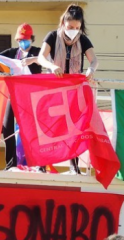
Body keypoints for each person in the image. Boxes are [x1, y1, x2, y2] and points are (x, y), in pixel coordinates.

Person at [38, 3, 99, 174]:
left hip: (73, 89)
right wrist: (51, 65)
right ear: (64, 22)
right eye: (71, 26)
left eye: (77, 27)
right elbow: (40, 58)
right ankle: (42, 163)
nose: (74, 30)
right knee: (49, 126)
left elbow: (94, 60)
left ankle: (74, 165)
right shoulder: (52, 36)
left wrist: (91, 70)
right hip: (52, 88)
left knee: (73, 127)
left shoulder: (83, 39)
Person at [0, 23, 42, 170]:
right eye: (20, 40)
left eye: (26, 39)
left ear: (31, 39)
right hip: (14, 93)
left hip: (32, 95)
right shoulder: (13, 52)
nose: (22, 42)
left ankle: (39, 164)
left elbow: (48, 59)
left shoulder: (38, 51)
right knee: (7, 127)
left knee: (33, 129)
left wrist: (34, 59)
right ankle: (10, 163)